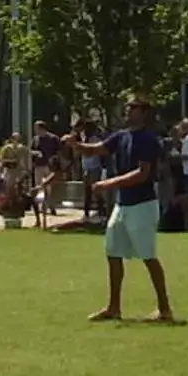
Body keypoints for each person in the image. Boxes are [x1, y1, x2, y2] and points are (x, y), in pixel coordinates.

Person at [57, 97, 174, 322]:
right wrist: (76, 145)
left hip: (142, 205)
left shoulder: (149, 139)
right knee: (113, 253)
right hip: (123, 205)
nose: (127, 110)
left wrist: (109, 184)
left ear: (144, 112)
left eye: (132, 107)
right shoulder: (122, 136)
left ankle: (165, 309)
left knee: (148, 257)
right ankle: (113, 308)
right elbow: (96, 149)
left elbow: (143, 174)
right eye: (127, 107)